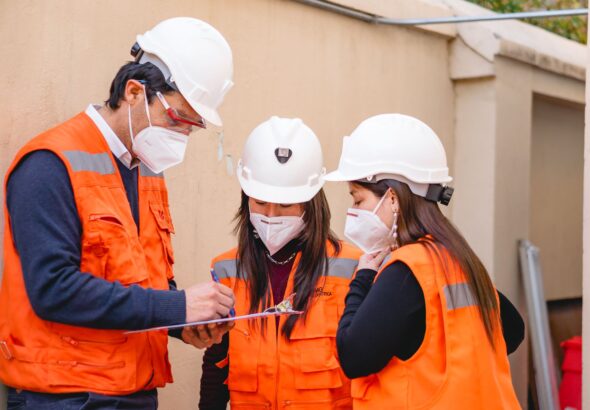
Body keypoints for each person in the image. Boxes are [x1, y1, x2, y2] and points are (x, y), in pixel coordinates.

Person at [0, 17, 236, 409]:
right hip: (65, 396)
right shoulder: (50, 163)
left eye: (193, 127)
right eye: (179, 118)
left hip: (133, 390)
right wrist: (176, 307)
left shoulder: (145, 170)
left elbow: (139, 283)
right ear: (133, 92)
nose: (182, 136)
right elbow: (53, 290)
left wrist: (183, 323)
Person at [325, 113, 525, 409]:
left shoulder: (407, 271)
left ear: (392, 198)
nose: (353, 211)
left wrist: (364, 277)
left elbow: (354, 356)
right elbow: (512, 329)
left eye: (358, 200)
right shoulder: (456, 257)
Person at [199, 116, 362, 409]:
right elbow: (216, 364)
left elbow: (370, 369)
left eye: (285, 204)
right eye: (260, 201)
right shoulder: (226, 270)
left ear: (310, 204)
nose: (271, 215)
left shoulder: (353, 269)